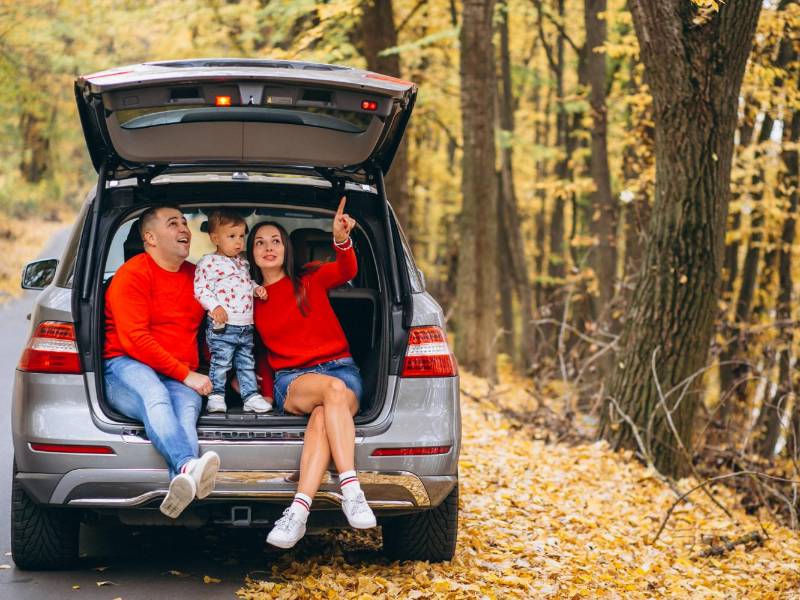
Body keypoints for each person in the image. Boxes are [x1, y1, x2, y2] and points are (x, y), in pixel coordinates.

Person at [247, 196, 376, 549]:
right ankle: (351, 488)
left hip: (342, 371)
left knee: (324, 412)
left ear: (286, 248)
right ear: (251, 253)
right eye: (260, 242)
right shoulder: (249, 298)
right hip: (294, 380)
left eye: (275, 241)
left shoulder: (310, 278)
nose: (268, 247)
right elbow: (243, 348)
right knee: (330, 393)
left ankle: (298, 512)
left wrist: (340, 239)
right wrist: (255, 389)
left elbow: (346, 269)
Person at [103, 203, 221, 519]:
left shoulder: (197, 277)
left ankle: (180, 485)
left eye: (185, 222)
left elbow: (213, 332)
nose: (184, 228)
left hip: (180, 371)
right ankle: (185, 463)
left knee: (184, 416)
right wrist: (187, 375)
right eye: (173, 223)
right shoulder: (132, 275)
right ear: (150, 237)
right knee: (155, 396)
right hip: (125, 365)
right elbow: (135, 340)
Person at [194, 209, 272, 414]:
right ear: (215, 238)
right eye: (231, 236)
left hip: (245, 325)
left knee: (246, 363)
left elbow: (245, 283)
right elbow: (200, 289)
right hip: (223, 325)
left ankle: (250, 396)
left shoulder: (242, 262)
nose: (239, 242)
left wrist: (256, 289)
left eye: (241, 236)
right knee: (221, 362)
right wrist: (215, 307)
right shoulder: (208, 263)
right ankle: (216, 396)